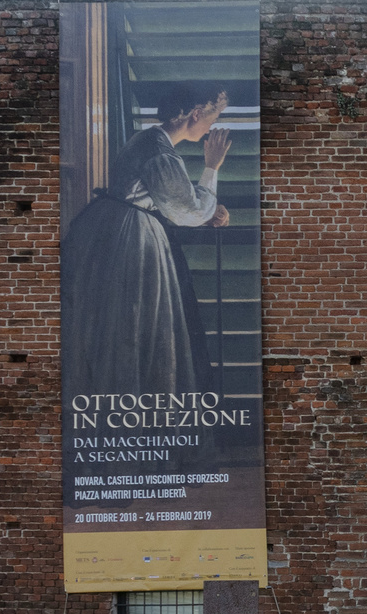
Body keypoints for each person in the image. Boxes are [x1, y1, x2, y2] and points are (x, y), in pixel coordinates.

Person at [62, 83, 232, 397]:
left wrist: (207, 213)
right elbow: (186, 211)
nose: (212, 128)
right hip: (130, 238)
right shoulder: (160, 151)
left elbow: (163, 200)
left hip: (114, 231)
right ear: (195, 115)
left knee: (129, 324)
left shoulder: (150, 141)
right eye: (212, 119)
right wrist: (211, 167)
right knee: (137, 322)